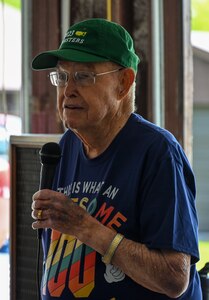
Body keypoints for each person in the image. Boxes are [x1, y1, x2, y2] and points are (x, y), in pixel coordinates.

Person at [31, 18, 202, 299]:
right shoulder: (67, 146)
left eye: (84, 76)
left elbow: (174, 278)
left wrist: (86, 227)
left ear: (124, 82)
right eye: (62, 76)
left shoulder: (157, 152)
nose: (68, 89)